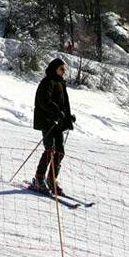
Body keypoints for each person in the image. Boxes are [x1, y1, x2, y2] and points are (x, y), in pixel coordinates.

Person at [32, 58, 75, 194]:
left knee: (60, 152)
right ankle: (39, 178)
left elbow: (63, 104)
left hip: (58, 123)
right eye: (61, 69)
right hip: (47, 121)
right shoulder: (47, 82)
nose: (64, 71)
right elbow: (44, 101)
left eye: (64, 69)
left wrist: (68, 116)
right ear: (54, 68)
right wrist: (57, 112)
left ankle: (52, 179)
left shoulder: (60, 83)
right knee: (50, 149)